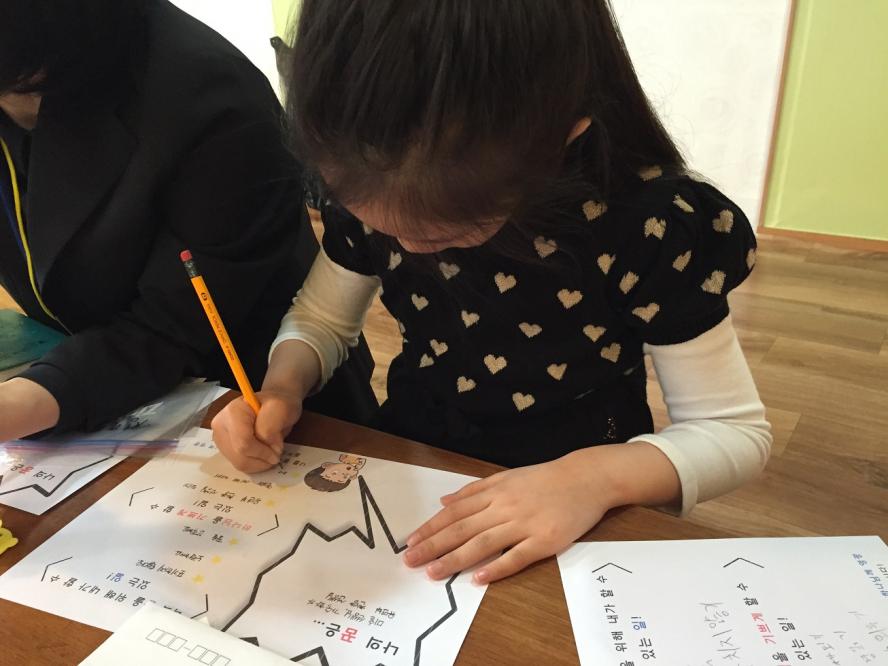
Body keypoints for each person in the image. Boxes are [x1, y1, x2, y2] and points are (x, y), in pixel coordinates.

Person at [212, 0, 772, 584]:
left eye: (445, 232)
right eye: (378, 223)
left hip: (582, 486)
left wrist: (593, 480)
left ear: (562, 134)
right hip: (418, 457)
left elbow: (733, 432)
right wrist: (283, 385)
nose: (408, 245)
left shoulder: (646, 226)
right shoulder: (364, 166)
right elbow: (323, 321)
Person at [0, 0, 376, 443]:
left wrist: (33, 398)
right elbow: (324, 315)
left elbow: (175, 325)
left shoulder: (209, 98)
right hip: (119, 396)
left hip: (245, 397)